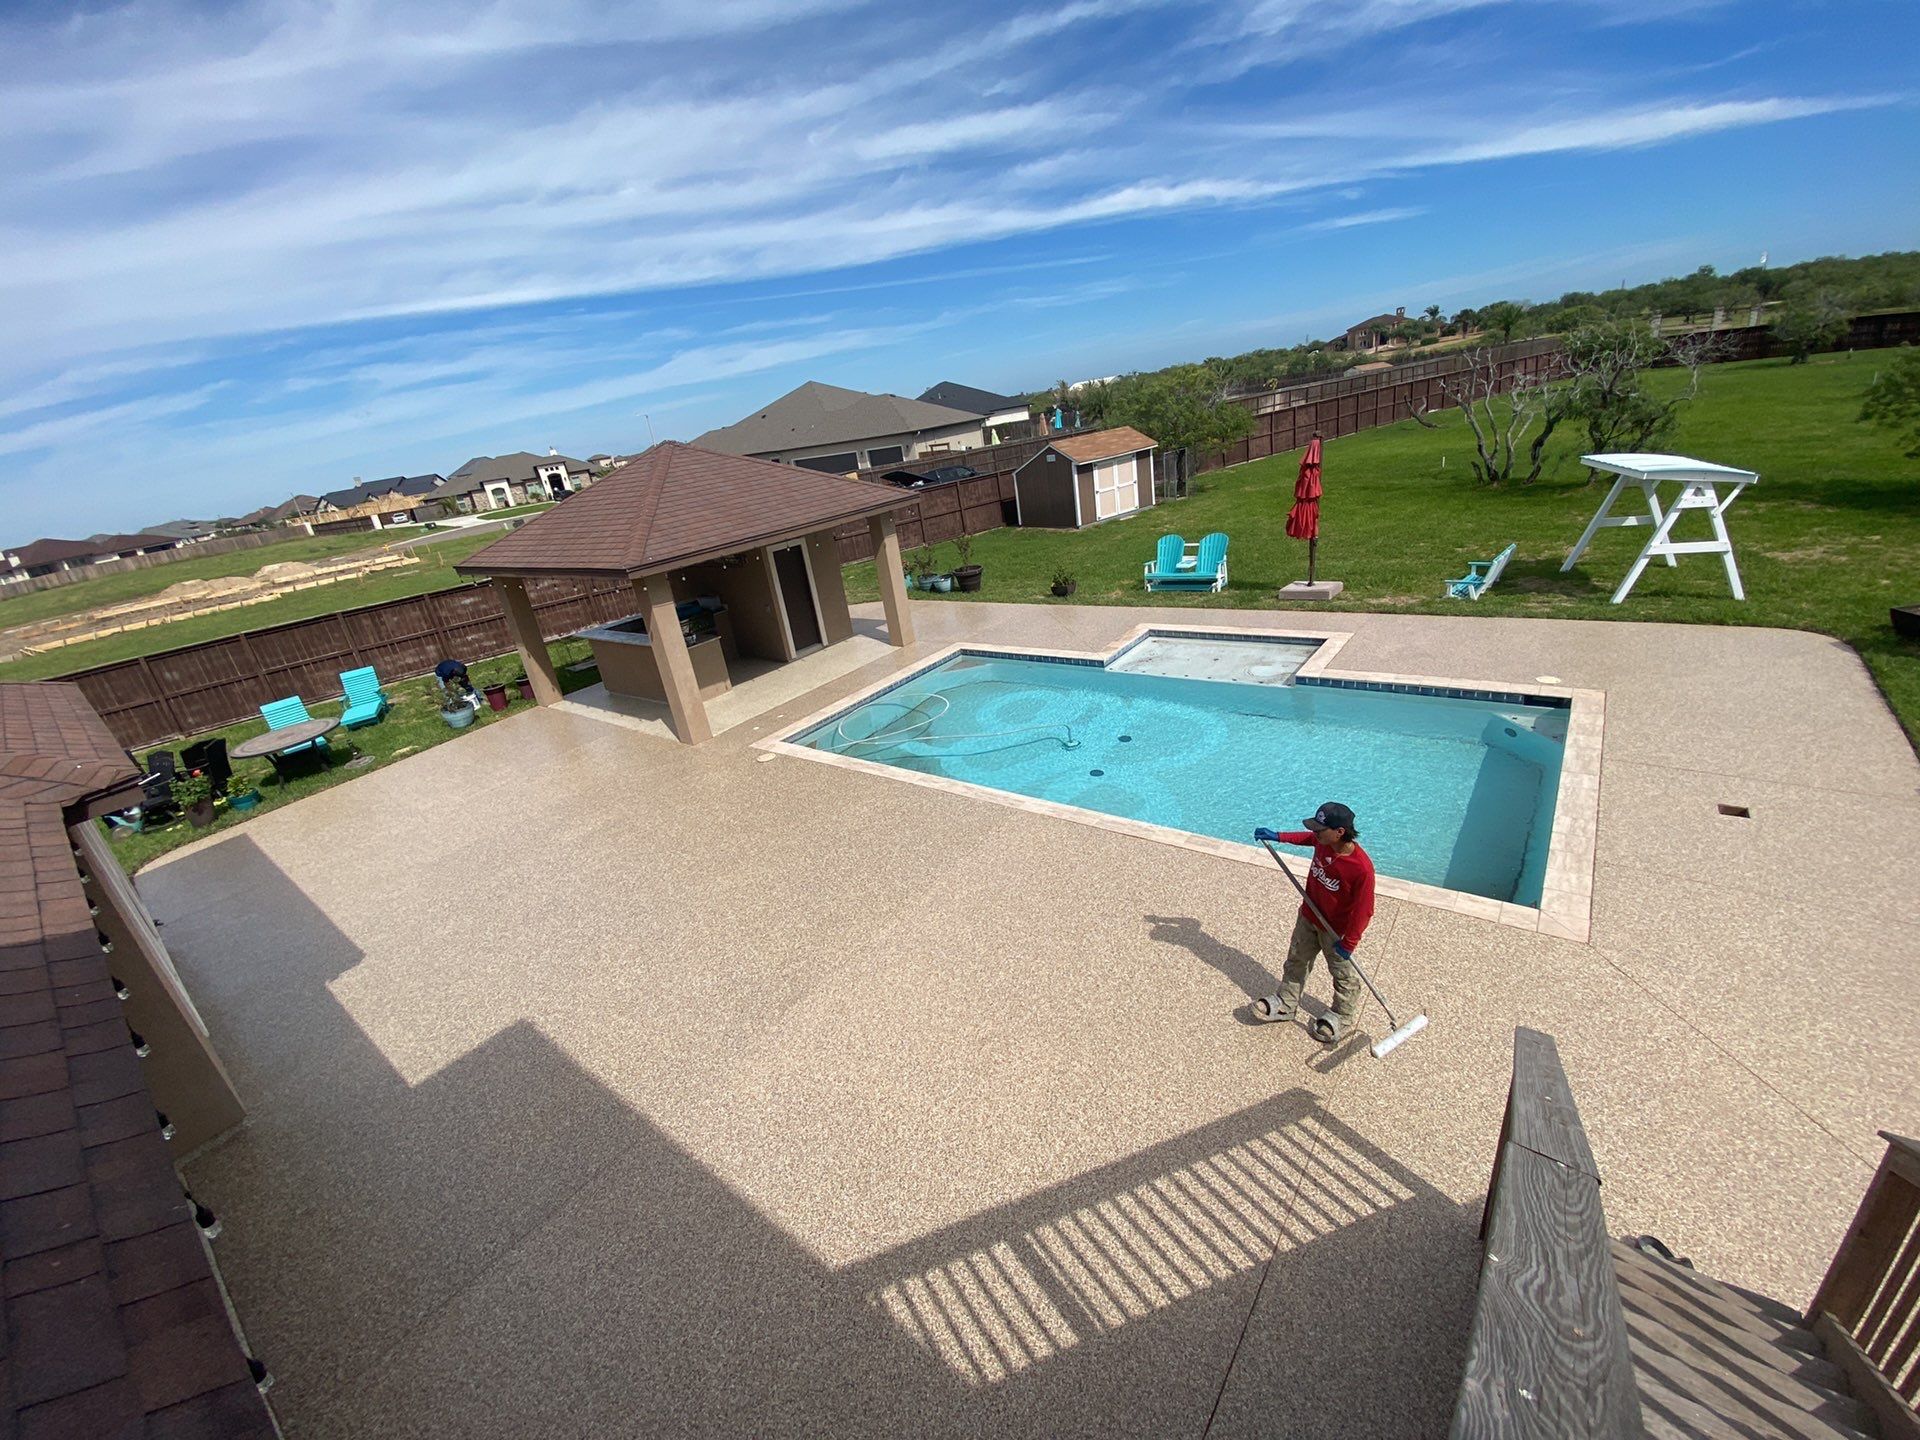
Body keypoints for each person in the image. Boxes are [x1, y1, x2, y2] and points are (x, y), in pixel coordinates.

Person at [1251, 802, 1376, 1044]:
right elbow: (1306, 839)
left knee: (1342, 974)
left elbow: (1364, 911)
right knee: (1297, 959)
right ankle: (1287, 1003)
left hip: (1336, 931)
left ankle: (1343, 1015)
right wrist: (1278, 837)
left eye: (1320, 829)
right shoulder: (1322, 840)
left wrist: (1349, 942)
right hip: (1309, 915)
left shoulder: (1361, 869)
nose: (1315, 833)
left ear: (1340, 832)